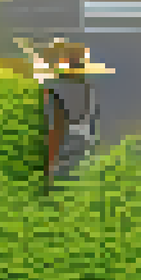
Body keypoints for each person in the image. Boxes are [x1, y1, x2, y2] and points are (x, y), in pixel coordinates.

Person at [34, 39, 114, 184]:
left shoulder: (56, 90)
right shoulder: (89, 90)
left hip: (65, 154)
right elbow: (94, 124)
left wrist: (49, 165)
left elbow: (56, 128)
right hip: (86, 152)